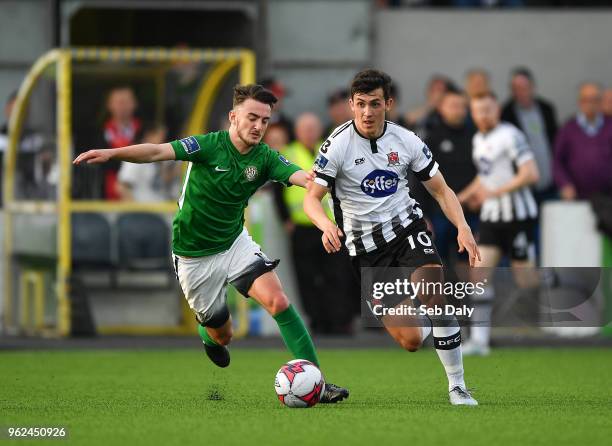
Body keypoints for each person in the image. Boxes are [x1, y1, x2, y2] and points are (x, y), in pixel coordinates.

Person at [74, 84, 349, 403]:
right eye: (252, 118)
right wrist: (111, 153)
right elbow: (156, 151)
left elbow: (301, 178)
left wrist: (324, 180)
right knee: (223, 333)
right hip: (193, 256)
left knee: (279, 302)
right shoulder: (207, 146)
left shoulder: (265, 158)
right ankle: (208, 334)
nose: (259, 126)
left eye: (265, 120)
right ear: (233, 117)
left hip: (234, 244)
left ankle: (317, 381)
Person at [304, 69, 480, 406]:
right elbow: (311, 198)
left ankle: (457, 386)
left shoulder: (407, 140)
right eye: (360, 105)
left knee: (433, 291)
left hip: (407, 231)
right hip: (366, 252)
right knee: (411, 340)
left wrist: (463, 227)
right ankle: (428, 315)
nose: (367, 112)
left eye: (374, 104)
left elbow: (442, 191)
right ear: (351, 105)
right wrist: (326, 225)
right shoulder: (337, 145)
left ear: (389, 103)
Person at [458, 92, 540, 356]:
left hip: (518, 216)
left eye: (488, 110)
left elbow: (531, 173)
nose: (483, 115)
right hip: (492, 218)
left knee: (526, 280)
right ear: (473, 113)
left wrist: (496, 192)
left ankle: (559, 285)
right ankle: (479, 341)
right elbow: (486, 176)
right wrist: (461, 197)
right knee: (479, 275)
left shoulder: (510, 135)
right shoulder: (478, 139)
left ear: (497, 111)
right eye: (478, 111)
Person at [273, 113, 354, 334]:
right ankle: (317, 321)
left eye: (312, 127)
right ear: (297, 131)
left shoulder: (330, 149)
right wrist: (286, 220)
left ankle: (339, 321)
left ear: (319, 130)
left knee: (336, 275)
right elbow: (278, 190)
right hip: (301, 228)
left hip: (331, 225)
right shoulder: (288, 153)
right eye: (305, 128)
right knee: (307, 277)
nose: (309, 132)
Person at [412, 86, 478, 267]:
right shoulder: (430, 138)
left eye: (462, 106)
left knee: (470, 261)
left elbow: (484, 173)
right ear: (441, 108)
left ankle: (466, 295)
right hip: (438, 212)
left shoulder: (476, 137)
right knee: (435, 262)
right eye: (453, 105)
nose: (458, 110)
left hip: (471, 211)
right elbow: (418, 180)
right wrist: (423, 215)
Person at [501, 67, 558, 203]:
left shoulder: (546, 109)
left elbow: (555, 142)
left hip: (550, 181)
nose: (520, 92)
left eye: (524, 87)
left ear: (532, 87)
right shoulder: (506, 113)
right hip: (523, 184)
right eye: (516, 88)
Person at [553, 82, 612, 200]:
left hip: (608, 196)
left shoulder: (609, 125)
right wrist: (565, 184)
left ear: (601, 102)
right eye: (586, 99)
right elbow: (557, 161)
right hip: (578, 196)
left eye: (594, 99)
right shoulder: (568, 128)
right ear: (579, 102)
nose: (590, 104)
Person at [99, 86, 143, 200]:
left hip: (139, 196)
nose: (123, 106)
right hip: (106, 197)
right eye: (119, 102)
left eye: (127, 102)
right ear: (109, 105)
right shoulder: (98, 133)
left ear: (135, 104)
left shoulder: (146, 132)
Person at [117, 124, 181, 202]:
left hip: (163, 211)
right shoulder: (136, 156)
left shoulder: (165, 160)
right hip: (143, 210)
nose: (163, 140)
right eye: (160, 136)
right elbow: (123, 186)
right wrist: (134, 209)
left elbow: (161, 182)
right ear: (149, 135)